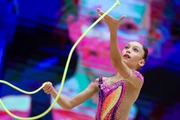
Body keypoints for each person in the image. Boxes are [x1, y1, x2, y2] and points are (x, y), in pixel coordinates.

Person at [43, 8, 148, 120]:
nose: (128, 50)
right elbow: (68, 104)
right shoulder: (100, 83)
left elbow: (116, 62)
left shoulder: (136, 80)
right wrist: (53, 92)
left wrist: (113, 30)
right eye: (127, 47)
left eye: (135, 50)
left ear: (141, 62)